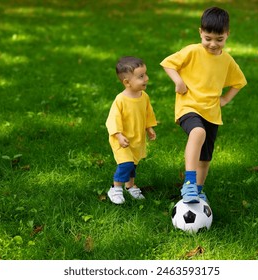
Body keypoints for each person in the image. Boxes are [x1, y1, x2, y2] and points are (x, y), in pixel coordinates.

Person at [160, 7, 247, 203]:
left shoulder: (227, 60)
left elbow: (239, 82)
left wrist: (225, 99)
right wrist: (178, 81)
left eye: (219, 39)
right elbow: (168, 64)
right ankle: (189, 184)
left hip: (212, 113)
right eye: (208, 38)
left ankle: (198, 190)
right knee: (198, 132)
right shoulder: (192, 51)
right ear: (200, 32)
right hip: (188, 106)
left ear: (227, 35)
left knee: (205, 158)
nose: (213, 44)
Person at [106, 56, 157, 204]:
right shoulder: (120, 100)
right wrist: (119, 135)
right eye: (141, 76)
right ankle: (115, 188)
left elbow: (148, 113)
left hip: (136, 138)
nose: (146, 78)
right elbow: (113, 120)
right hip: (121, 139)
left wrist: (149, 127)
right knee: (126, 164)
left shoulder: (144, 97)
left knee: (133, 164)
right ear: (127, 82)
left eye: (145, 74)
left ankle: (130, 186)